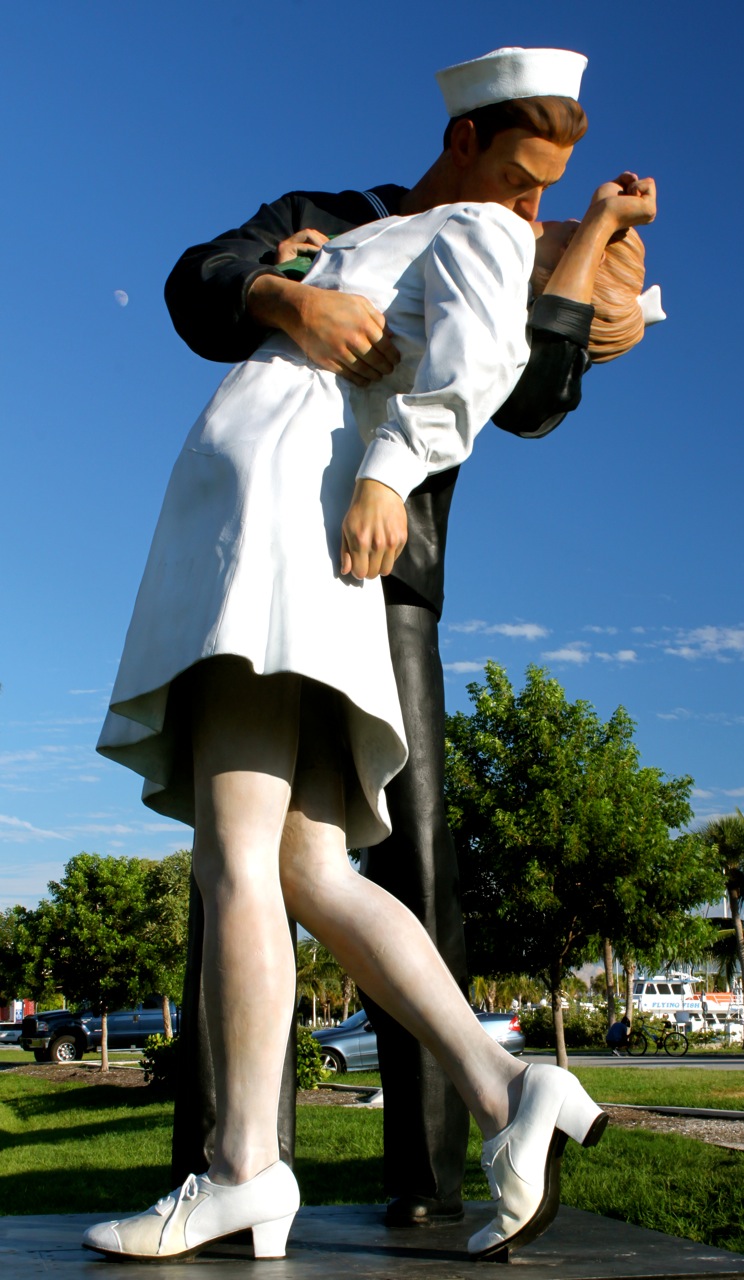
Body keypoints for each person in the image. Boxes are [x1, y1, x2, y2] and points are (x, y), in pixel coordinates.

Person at [85, 51, 658, 1264]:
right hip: (288, 521)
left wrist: (395, 463)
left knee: (238, 851)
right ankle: (509, 1087)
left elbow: (506, 372)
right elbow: (208, 275)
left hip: (290, 529)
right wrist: (292, 292)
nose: (526, 203)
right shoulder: (360, 221)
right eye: (518, 174)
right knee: (311, 868)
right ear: (465, 144)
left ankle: (244, 1167)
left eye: (544, 188)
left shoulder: (488, 233)